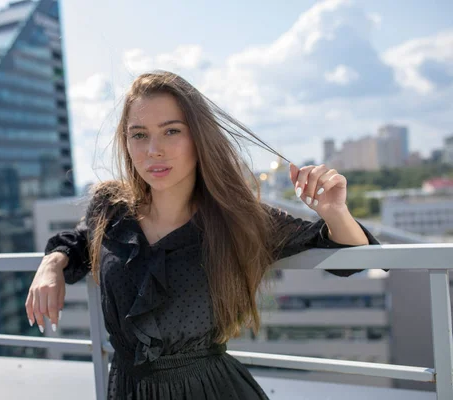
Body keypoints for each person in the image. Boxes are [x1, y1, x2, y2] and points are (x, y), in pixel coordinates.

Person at [24, 70, 381, 399]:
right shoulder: (111, 208)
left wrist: (335, 211)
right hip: (127, 388)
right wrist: (52, 263)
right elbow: (80, 241)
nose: (154, 150)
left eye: (171, 131)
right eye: (139, 135)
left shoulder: (237, 218)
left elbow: (350, 257)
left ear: (199, 137)